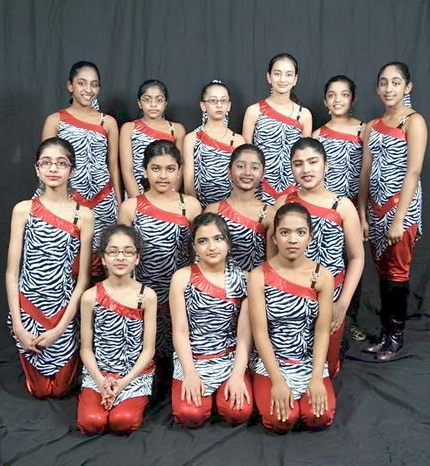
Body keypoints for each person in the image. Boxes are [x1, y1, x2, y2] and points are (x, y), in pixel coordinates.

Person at [5, 137, 94, 398]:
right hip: (28, 308)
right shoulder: (24, 210)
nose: (53, 169)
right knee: (41, 390)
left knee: (61, 389)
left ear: (72, 170)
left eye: (61, 163)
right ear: (37, 169)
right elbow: (12, 272)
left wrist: (60, 329)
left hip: (62, 310)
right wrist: (18, 326)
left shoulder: (83, 215)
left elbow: (83, 280)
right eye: (46, 163)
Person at [268, 137, 364, 377]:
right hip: (288, 295)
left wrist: (343, 303)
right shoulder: (283, 203)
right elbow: (271, 252)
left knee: (324, 369)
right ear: (291, 168)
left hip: (330, 297)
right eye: (298, 164)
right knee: (288, 364)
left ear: (325, 166)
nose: (306, 169)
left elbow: (356, 258)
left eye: (313, 162)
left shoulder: (342, 206)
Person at [118, 139, 202, 392]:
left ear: (179, 171)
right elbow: (122, 259)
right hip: (144, 296)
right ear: (145, 171)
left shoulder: (191, 206)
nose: (163, 176)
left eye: (170, 169)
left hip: (181, 296)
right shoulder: (131, 207)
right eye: (156, 168)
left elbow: (197, 256)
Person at [358, 61, 427, 361]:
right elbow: (365, 172)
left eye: (396, 82)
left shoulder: (414, 121)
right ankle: (384, 333)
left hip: (401, 209)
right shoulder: (372, 126)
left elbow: (413, 172)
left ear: (407, 87)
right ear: (377, 88)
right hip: (375, 210)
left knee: (398, 271)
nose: (389, 88)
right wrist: (362, 214)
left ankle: (395, 337)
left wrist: (398, 219)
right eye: (384, 82)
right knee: (383, 272)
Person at [249, 203, 335, 433]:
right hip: (272, 363)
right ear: (274, 238)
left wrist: (316, 377)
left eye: (300, 232)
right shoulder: (259, 276)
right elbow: (260, 333)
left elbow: (322, 331)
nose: (293, 240)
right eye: (285, 232)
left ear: (310, 237)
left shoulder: (323, 277)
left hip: (308, 361)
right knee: (281, 421)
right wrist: (277, 381)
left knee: (319, 417)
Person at [169, 213, 253, 428]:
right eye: (203, 241)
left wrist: (237, 375)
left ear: (228, 242)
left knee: (238, 412)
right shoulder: (182, 278)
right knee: (190, 415)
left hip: (229, 358)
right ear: (194, 247)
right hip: (193, 359)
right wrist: (190, 373)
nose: (212, 247)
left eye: (218, 238)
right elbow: (180, 331)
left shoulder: (245, 279)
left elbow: (245, 334)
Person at [41, 61, 120, 277]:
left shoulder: (108, 122)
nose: (88, 90)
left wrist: (118, 203)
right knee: (66, 259)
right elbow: (47, 165)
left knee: (105, 262)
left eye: (94, 84)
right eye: (82, 83)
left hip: (103, 200)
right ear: (70, 85)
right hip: (68, 198)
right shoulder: (55, 120)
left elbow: (113, 166)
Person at [77, 225, 157, 434]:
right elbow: (86, 349)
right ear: (103, 259)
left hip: (133, 374)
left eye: (128, 252)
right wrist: (100, 381)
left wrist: (123, 382)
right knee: (91, 423)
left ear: (137, 258)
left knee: (123, 421)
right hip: (99, 373)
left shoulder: (146, 296)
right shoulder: (90, 297)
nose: (120, 257)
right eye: (113, 252)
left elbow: (148, 350)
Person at [242, 53, 312, 204]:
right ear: (269, 77)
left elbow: (305, 156)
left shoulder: (304, 114)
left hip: (294, 187)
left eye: (288, 74)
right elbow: (246, 155)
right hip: (260, 186)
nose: (282, 79)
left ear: (295, 79)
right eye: (277, 73)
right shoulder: (254, 111)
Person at [205, 144, 269, 272]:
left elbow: (272, 264)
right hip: (220, 281)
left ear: (263, 174)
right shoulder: (213, 210)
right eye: (240, 166)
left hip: (255, 282)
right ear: (229, 171)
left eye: (254, 168)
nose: (247, 172)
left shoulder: (270, 214)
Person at [183, 80, 246, 207]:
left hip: (230, 208)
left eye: (223, 100)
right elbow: (189, 183)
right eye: (213, 101)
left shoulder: (238, 140)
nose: (219, 105)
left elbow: (241, 180)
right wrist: (197, 210)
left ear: (229, 106)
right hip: (200, 208)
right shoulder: (192, 139)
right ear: (203, 106)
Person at [120, 80, 187, 197]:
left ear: (165, 103)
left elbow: (179, 168)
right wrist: (139, 201)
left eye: (159, 100)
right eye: (147, 99)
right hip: (137, 193)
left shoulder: (176, 129)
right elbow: (127, 170)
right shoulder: (129, 128)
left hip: (168, 193)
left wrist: (170, 196)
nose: (153, 104)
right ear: (139, 103)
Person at [313, 75, 364, 201]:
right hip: (326, 204)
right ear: (325, 101)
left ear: (353, 99)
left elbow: (369, 171)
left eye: (344, 95)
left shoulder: (363, 130)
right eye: (331, 95)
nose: (337, 100)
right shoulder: (317, 135)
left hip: (356, 203)